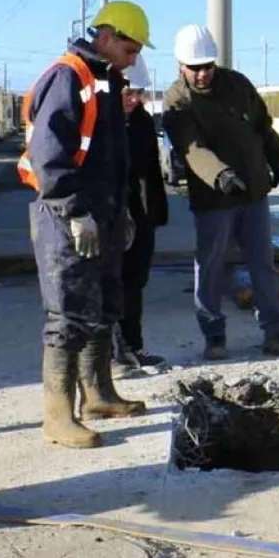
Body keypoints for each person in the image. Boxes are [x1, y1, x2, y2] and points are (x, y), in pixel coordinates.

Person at [18, 0, 153, 448]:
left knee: (103, 306)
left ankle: (98, 394)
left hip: (104, 212)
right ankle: (57, 416)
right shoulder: (69, 76)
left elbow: (112, 155)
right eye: (131, 49)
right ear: (109, 37)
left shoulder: (107, 81)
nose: (134, 59)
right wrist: (75, 211)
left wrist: (122, 212)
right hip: (66, 216)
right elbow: (49, 155)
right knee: (68, 314)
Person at [162, 24, 279, 360]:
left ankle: (276, 332)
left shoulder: (237, 85)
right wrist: (221, 176)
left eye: (207, 66)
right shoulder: (177, 100)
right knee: (211, 266)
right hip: (215, 200)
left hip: (253, 194)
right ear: (180, 65)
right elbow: (191, 147)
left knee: (263, 266)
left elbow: (262, 127)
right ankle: (214, 335)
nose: (202, 74)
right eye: (194, 68)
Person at [113, 53, 169, 378]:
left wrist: (154, 215)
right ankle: (109, 355)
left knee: (135, 281)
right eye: (128, 93)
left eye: (139, 93)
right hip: (109, 214)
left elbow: (150, 173)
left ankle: (134, 346)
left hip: (139, 215)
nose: (134, 100)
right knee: (109, 285)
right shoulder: (100, 121)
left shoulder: (143, 122)